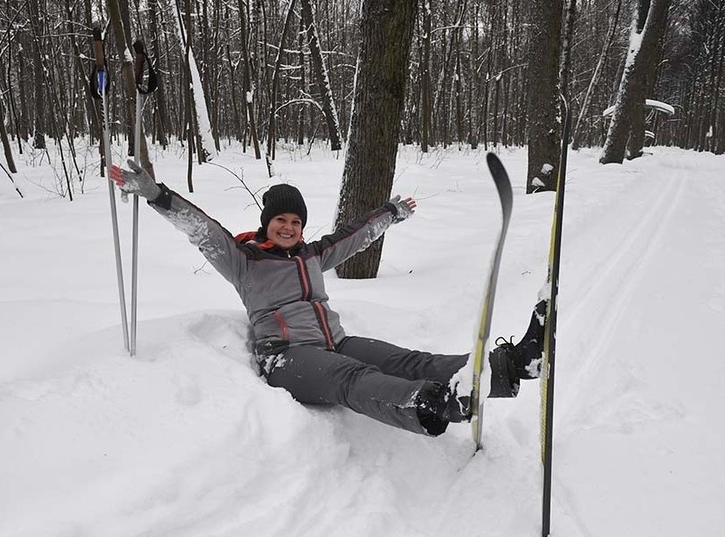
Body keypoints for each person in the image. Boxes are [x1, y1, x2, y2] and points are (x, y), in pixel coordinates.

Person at [109, 162, 545, 437]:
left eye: (296, 221)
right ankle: (434, 403)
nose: (289, 227)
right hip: (288, 357)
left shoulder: (312, 254)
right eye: (280, 219)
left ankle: (511, 367)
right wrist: (157, 195)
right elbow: (202, 228)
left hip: (334, 341)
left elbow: (353, 237)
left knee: (409, 360)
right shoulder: (243, 261)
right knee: (353, 377)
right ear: (266, 223)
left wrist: (390, 213)